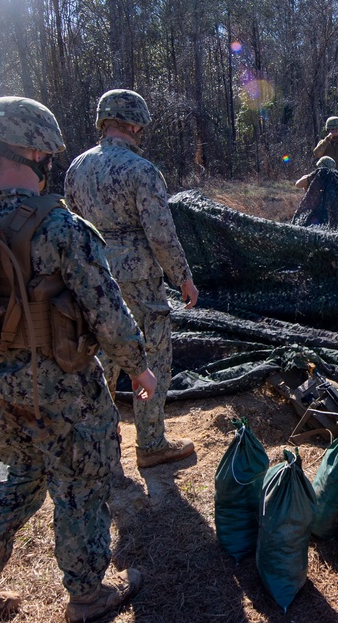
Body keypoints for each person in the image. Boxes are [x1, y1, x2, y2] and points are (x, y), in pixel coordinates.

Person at [0, 97, 156, 623]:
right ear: (37, 150)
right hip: (65, 389)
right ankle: (87, 595)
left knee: (23, 476)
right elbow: (108, 311)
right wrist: (138, 366)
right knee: (82, 488)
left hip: (0, 387)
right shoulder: (61, 229)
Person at [64, 88, 199, 469]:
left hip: (94, 278)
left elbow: (72, 228)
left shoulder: (76, 168)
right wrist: (183, 277)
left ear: (103, 122)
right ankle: (152, 444)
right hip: (139, 279)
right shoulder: (141, 170)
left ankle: (100, 447)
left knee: (102, 355)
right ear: (135, 124)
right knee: (153, 355)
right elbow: (160, 234)